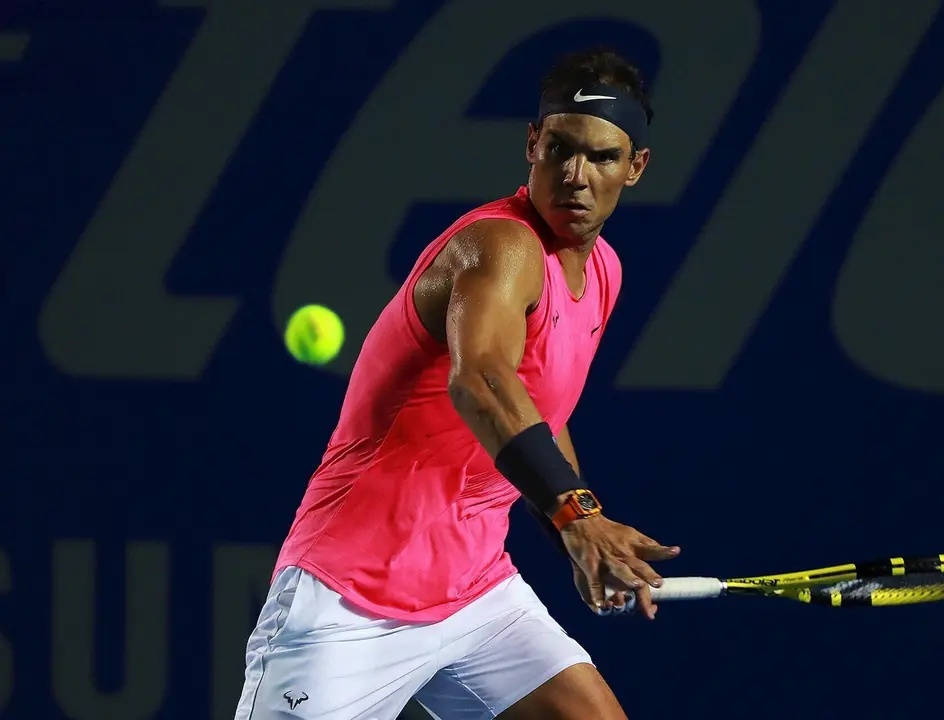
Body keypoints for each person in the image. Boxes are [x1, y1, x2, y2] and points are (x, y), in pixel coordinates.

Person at [234, 46, 679, 720]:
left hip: (473, 592)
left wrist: (578, 539)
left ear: (636, 168)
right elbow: (483, 383)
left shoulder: (603, 273)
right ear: (531, 144)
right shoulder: (498, 248)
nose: (575, 176)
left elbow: (539, 411)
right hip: (347, 594)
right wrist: (578, 516)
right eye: (558, 148)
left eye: (601, 158)